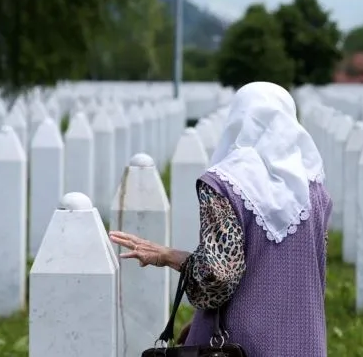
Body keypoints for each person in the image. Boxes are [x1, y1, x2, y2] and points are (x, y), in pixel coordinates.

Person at [109, 81, 332, 357]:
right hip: (304, 341)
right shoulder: (315, 188)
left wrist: (166, 255)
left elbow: (217, 276)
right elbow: (314, 271)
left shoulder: (225, 184)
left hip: (240, 346)